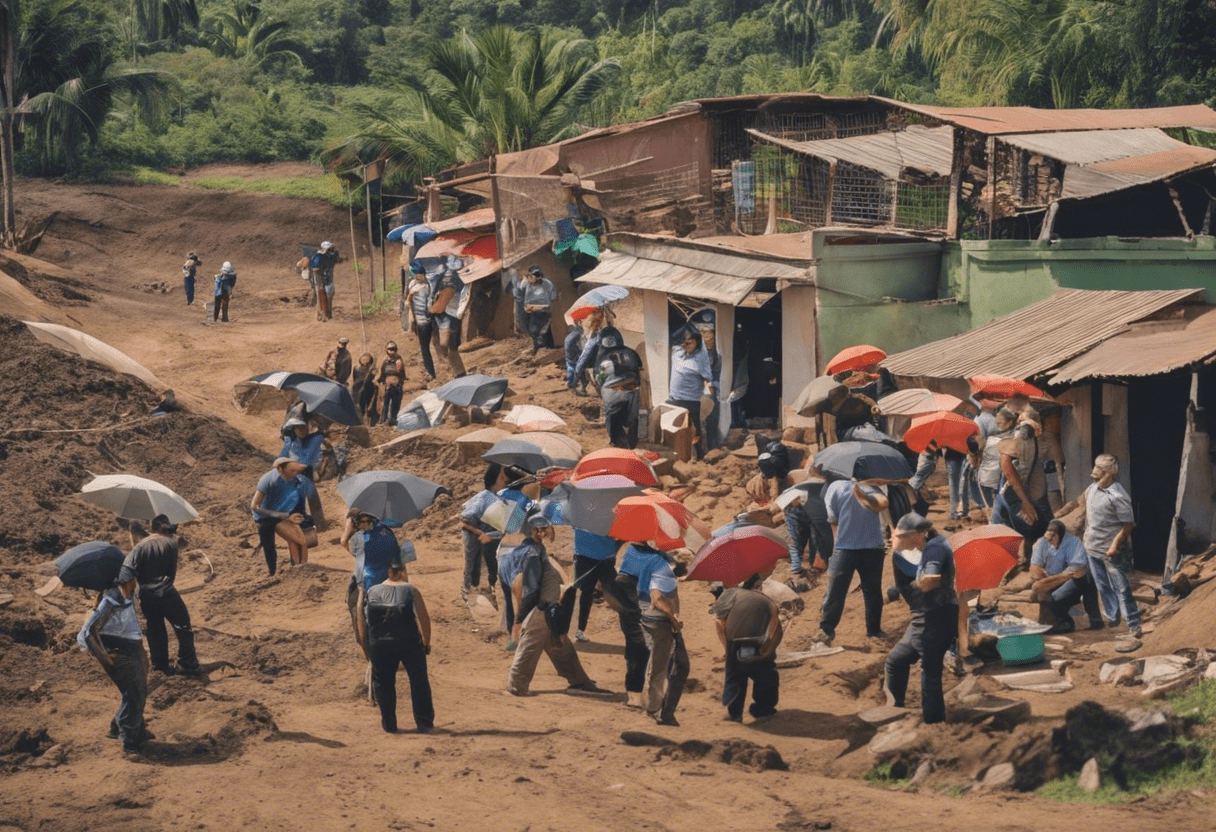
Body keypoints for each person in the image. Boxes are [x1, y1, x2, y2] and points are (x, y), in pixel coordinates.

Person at [507, 514, 606, 697]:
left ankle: (579, 681)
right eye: (544, 529)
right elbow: (523, 585)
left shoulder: (537, 550)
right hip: (541, 609)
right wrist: (520, 618)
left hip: (549, 608)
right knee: (529, 649)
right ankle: (516, 686)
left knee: (561, 647)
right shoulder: (532, 553)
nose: (548, 532)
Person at [885, 513, 957, 724]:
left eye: (901, 537)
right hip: (925, 617)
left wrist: (919, 584)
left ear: (916, 535)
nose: (897, 541)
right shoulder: (929, 545)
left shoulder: (934, 549)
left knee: (930, 670)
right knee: (896, 660)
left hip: (934, 617)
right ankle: (894, 711)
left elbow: (931, 579)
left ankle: (934, 724)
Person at [77, 573, 151, 752]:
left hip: (129, 648)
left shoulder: (127, 594)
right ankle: (130, 740)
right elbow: (89, 632)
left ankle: (120, 727)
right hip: (116, 651)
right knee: (135, 691)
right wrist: (105, 657)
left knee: (136, 689)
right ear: (129, 579)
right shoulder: (112, 597)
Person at [119, 514, 199, 676]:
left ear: (152, 529)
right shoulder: (171, 543)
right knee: (182, 625)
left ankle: (160, 666)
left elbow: (125, 573)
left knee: (155, 628)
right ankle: (187, 664)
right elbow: (171, 573)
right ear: (170, 530)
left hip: (146, 595)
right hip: (166, 590)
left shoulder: (140, 546)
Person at [816, 474, 889, 645]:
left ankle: (872, 630)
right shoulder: (837, 488)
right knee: (841, 591)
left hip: (867, 547)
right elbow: (833, 519)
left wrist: (862, 495)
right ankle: (827, 630)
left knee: (865, 591)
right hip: (850, 547)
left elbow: (880, 504)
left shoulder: (874, 488)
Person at [621, 541, 688, 726]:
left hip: (639, 610)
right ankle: (653, 708)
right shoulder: (661, 564)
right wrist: (673, 618)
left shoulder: (632, 551)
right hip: (658, 618)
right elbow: (657, 598)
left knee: (646, 657)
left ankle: (642, 700)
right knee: (660, 666)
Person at [364, 556, 433, 733]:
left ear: (389, 573)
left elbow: (363, 618)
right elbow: (424, 618)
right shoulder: (410, 589)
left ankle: (389, 724)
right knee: (419, 682)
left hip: (379, 643)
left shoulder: (372, 590)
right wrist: (426, 642)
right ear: (401, 573)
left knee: (383, 682)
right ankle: (424, 723)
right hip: (408, 641)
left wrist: (368, 645)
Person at [1080, 454, 1142, 638]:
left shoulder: (1117, 496)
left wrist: (1115, 545)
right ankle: (1114, 618)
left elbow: (1128, 525)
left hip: (1111, 551)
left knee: (1121, 587)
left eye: (1097, 467)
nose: (1094, 469)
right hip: (1092, 547)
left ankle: (1133, 624)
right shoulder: (1092, 489)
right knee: (1103, 585)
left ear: (1107, 472)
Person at [711, 573, 782, 722]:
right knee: (766, 674)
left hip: (736, 642)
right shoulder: (766, 600)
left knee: (735, 676)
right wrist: (768, 649)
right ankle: (764, 710)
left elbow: (720, 623)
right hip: (759, 641)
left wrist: (727, 648)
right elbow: (777, 629)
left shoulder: (731, 595)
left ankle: (734, 713)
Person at [991, 412, 1052, 554]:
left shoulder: (1025, 437)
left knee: (1027, 525)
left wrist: (1025, 501)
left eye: (1022, 420)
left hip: (1017, 489)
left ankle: (1027, 559)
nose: (1019, 422)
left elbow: (1007, 468)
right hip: (1016, 488)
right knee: (1005, 524)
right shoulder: (1033, 440)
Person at [250, 458, 324, 576]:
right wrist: (283, 515)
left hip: (283, 514)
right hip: (264, 516)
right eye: (291, 470)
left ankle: (299, 568)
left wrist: (298, 516)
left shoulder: (294, 480)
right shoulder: (267, 480)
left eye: (296, 471)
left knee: (298, 541)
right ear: (280, 469)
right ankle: (273, 573)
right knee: (270, 547)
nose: (294, 473)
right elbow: (254, 506)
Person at [1030, 519, 1103, 633]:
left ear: (1061, 536)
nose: (1049, 539)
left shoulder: (1073, 543)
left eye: (1053, 536)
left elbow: (1077, 570)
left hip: (1073, 579)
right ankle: (1052, 621)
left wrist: (1056, 579)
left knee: (1058, 597)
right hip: (1052, 579)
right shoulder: (1041, 543)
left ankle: (1077, 622)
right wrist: (1042, 576)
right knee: (1041, 595)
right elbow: (1035, 568)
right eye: (1047, 535)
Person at [610, 543, 652, 708]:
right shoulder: (631, 556)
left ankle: (643, 695)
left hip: (644, 612)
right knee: (638, 648)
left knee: (642, 651)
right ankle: (634, 696)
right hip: (633, 613)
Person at [459, 463, 508, 601]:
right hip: (473, 533)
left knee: (483, 561)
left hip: (485, 531)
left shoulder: (496, 496)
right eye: (502, 478)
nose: (504, 481)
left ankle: (478, 586)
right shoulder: (485, 497)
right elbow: (464, 520)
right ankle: (466, 589)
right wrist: (479, 532)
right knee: (471, 562)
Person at [667, 328, 716, 459]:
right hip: (674, 400)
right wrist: (687, 327)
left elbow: (708, 378)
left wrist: (709, 386)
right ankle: (681, 456)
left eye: (690, 342)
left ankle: (699, 457)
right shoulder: (677, 353)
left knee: (695, 432)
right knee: (677, 431)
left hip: (691, 402)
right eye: (684, 342)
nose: (686, 345)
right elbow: (673, 337)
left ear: (697, 343)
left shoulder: (701, 359)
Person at [594, 329, 643, 450]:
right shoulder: (632, 353)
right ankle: (632, 443)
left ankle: (614, 442)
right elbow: (640, 370)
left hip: (612, 391)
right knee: (632, 418)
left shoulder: (603, 359)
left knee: (612, 416)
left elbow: (599, 379)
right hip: (632, 390)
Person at [571, 529, 620, 643]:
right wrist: (617, 545)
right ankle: (635, 627)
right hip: (605, 556)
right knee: (618, 592)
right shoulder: (609, 512)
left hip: (584, 555)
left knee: (585, 593)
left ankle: (579, 630)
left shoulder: (578, 512)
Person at [975, 407, 1017, 511]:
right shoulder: (995, 437)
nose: (998, 426)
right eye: (996, 423)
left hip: (1008, 477)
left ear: (1009, 422)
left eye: (1000, 423)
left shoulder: (1015, 437)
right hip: (995, 478)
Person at [431, 269, 468, 377]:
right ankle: (458, 373)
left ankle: (459, 374)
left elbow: (441, 304)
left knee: (448, 346)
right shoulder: (447, 278)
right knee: (448, 347)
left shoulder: (450, 281)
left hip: (450, 315)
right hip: (447, 315)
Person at [404, 263, 437, 381]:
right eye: (416, 274)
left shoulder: (423, 288)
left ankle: (430, 372)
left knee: (424, 348)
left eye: (419, 275)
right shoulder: (418, 284)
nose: (417, 277)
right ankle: (427, 369)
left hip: (424, 322)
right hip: (420, 320)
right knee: (423, 346)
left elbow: (411, 301)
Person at [519, 266, 557, 354]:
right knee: (533, 330)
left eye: (531, 277)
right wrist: (527, 306)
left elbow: (552, 297)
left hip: (544, 310)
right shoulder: (528, 285)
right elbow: (527, 298)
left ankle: (542, 349)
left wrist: (541, 305)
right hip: (532, 311)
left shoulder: (547, 284)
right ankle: (541, 347)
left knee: (540, 331)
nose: (529, 278)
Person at [699, 324, 723, 451]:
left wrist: (715, 384)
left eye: (709, 332)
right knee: (704, 420)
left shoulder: (719, 351)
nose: (706, 335)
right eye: (703, 332)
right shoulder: (699, 352)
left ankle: (714, 447)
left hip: (717, 389)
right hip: (704, 389)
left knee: (715, 420)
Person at [279, 416, 325, 481]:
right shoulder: (292, 443)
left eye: (303, 427)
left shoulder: (315, 440)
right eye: (298, 428)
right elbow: (282, 458)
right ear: (294, 430)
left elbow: (306, 460)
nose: (301, 430)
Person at [378, 342, 406, 426]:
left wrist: (400, 382)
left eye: (393, 349)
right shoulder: (384, 360)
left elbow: (402, 374)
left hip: (396, 385)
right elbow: (381, 373)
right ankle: (383, 420)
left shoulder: (399, 360)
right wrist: (381, 381)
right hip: (387, 385)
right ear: (387, 350)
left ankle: (393, 420)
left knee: (396, 403)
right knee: (385, 404)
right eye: (390, 349)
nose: (392, 352)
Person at [351, 352, 379, 426]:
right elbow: (355, 378)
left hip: (368, 389)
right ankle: (359, 422)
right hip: (357, 389)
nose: (364, 360)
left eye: (366, 359)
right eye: (363, 359)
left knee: (370, 406)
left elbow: (373, 378)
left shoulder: (371, 369)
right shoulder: (356, 368)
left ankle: (372, 422)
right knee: (359, 406)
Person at [314, 241, 338, 321]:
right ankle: (321, 313)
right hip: (320, 279)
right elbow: (315, 269)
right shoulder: (318, 257)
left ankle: (328, 313)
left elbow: (336, 258)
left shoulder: (331, 256)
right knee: (321, 296)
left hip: (328, 279)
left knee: (329, 295)